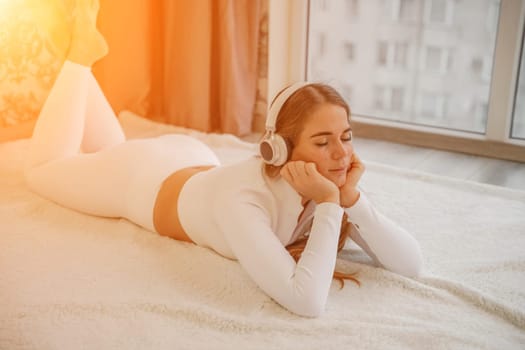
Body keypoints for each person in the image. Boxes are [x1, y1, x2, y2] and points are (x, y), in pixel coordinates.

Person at [24, 5, 423, 317]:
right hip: (139, 179)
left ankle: (83, 62)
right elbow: (306, 302)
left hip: (189, 160)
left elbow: (411, 265)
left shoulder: (324, 181)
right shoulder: (243, 201)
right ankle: (78, 59)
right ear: (279, 150)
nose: (341, 154)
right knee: (40, 171)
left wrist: (351, 199)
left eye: (346, 137)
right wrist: (331, 204)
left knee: (104, 153)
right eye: (322, 142)